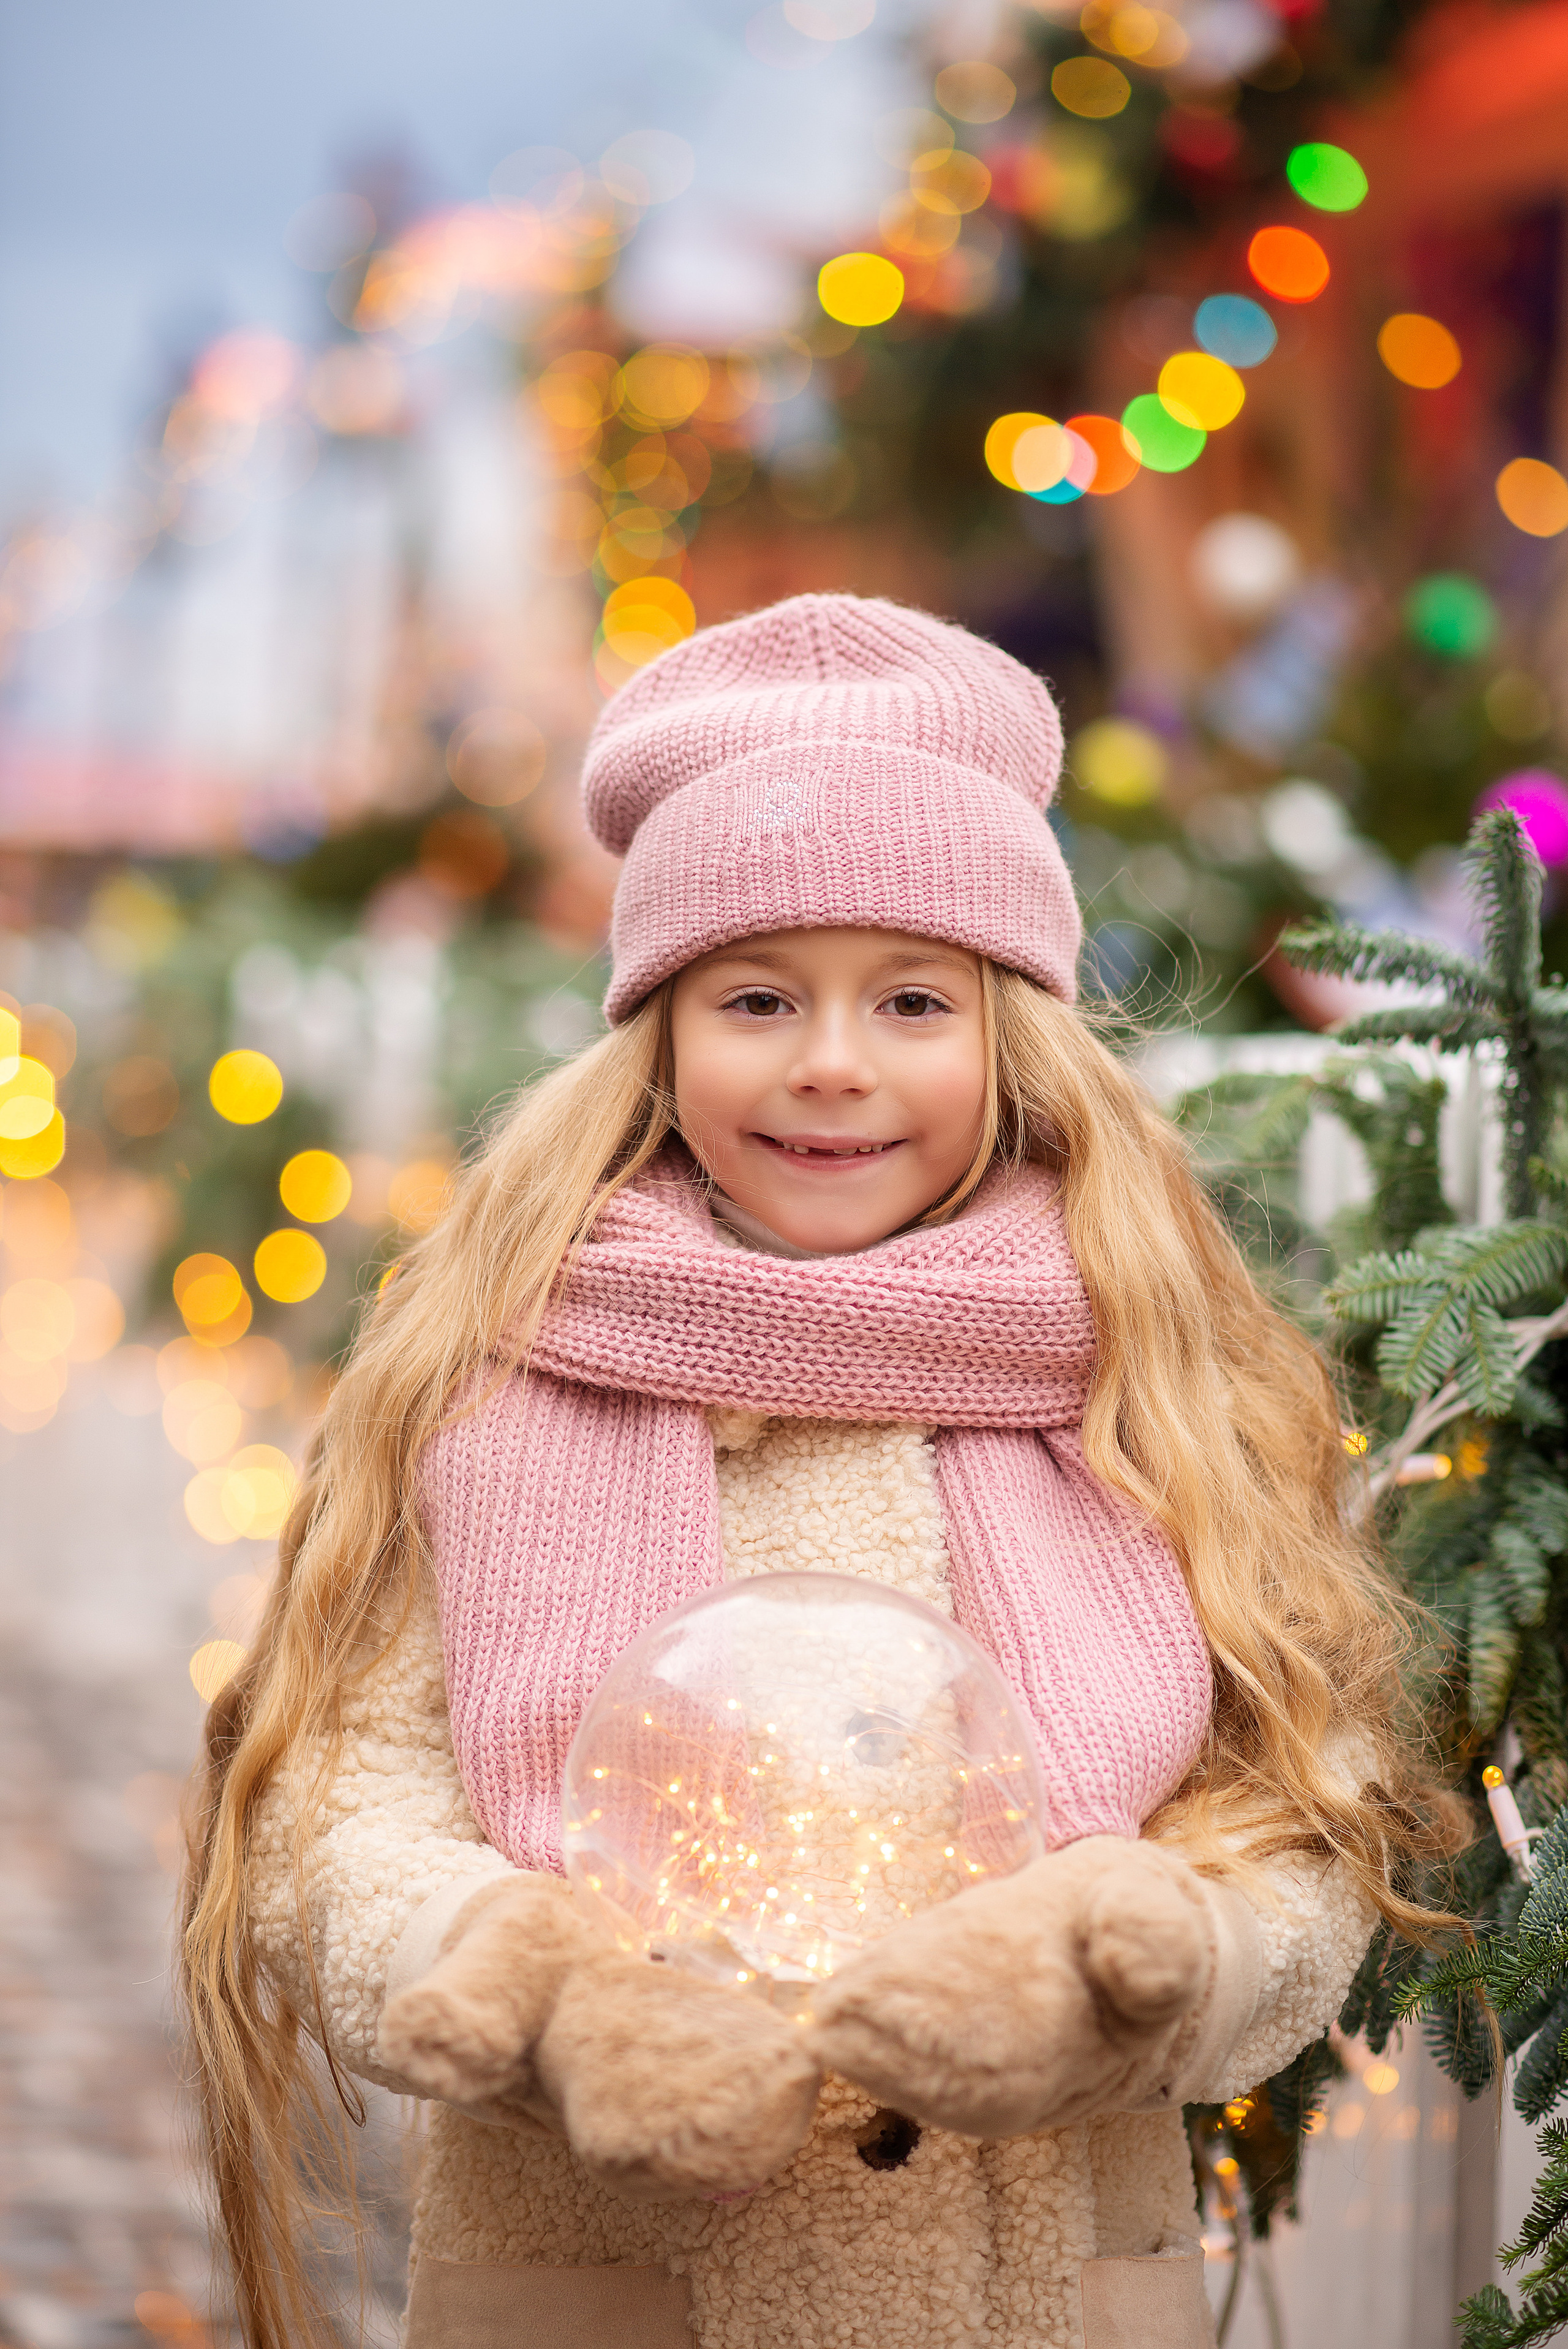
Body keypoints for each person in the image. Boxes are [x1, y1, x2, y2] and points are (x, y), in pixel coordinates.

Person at [183, 594, 1457, 2349]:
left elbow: (1293, 1817)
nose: (835, 1062)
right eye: (759, 995)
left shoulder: (1142, 1379)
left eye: (913, 997)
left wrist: (1127, 1963)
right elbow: (336, 1792)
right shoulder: (503, 1360)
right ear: (661, 1027)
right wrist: (531, 1984)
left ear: (1008, 1030)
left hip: (1036, 2289)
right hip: (608, 2280)